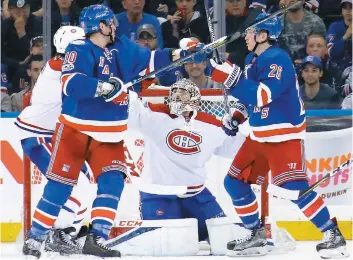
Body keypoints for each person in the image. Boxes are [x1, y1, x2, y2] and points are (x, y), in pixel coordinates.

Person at [22, 4, 208, 259]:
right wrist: (102, 87)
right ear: (100, 25)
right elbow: (72, 83)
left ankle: (96, 237)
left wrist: (179, 53)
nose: (115, 25)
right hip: (76, 129)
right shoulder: (79, 49)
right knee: (60, 187)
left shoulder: (122, 46)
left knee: (113, 182)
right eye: (110, 22)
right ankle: (36, 237)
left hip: (110, 133)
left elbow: (151, 59)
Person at [209, 13, 349, 258]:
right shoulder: (254, 59)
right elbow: (249, 100)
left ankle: (332, 234)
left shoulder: (277, 58)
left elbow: (263, 96)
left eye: (251, 32)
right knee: (234, 182)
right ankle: (256, 234)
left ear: (263, 35)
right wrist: (237, 117)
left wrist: (231, 77)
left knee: (294, 188)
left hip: (283, 136)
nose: (246, 37)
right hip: (260, 135)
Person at [127, 78, 245, 243]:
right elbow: (130, 109)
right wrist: (123, 90)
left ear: (195, 99)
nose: (177, 98)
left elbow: (239, 147)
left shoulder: (212, 124)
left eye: (183, 94)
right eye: (174, 94)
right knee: (171, 246)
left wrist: (248, 126)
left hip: (196, 195)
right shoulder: (152, 115)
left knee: (223, 239)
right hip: (158, 194)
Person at [15, 26, 90, 255]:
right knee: (73, 183)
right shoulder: (60, 67)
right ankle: (52, 233)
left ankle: (64, 231)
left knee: (84, 182)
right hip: (38, 134)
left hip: (52, 135)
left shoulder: (67, 66)